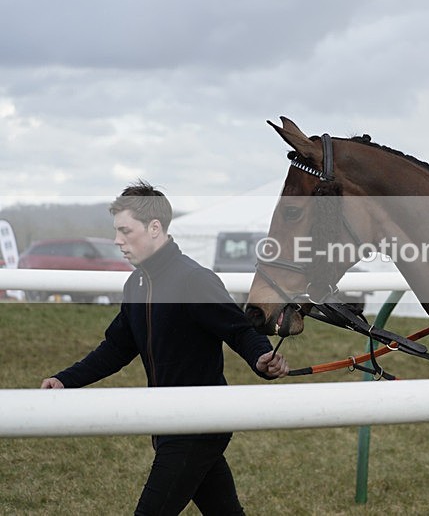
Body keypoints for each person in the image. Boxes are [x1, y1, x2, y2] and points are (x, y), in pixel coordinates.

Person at [41, 180, 289, 516]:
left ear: (154, 228)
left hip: (198, 426)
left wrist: (262, 357)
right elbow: (116, 348)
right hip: (168, 423)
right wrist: (65, 380)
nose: (117, 241)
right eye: (116, 232)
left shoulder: (194, 280)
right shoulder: (136, 283)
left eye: (126, 231)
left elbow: (240, 330)